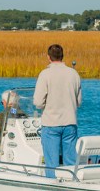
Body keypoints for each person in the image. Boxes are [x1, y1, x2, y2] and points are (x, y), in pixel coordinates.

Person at [33, 44, 82, 178]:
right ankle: (71, 184)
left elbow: (37, 102)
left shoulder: (45, 74)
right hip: (70, 123)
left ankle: (53, 186)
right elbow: (79, 102)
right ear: (62, 56)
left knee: (52, 163)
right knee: (70, 162)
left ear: (48, 57)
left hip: (51, 124)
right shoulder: (74, 74)